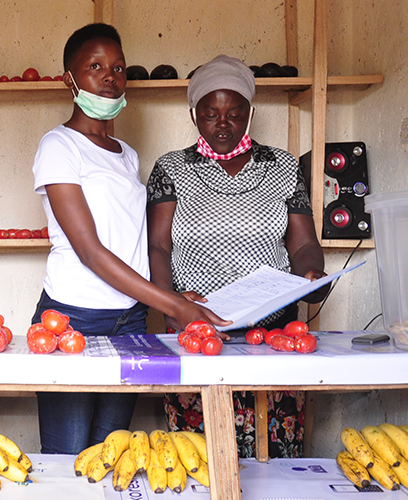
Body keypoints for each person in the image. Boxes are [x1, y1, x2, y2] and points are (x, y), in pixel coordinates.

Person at [31, 24, 226, 456]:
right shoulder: (58, 146)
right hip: (73, 319)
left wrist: (170, 296)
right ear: (70, 78)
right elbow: (90, 251)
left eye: (118, 67)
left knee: (111, 455)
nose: (110, 76)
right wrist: (171, 304)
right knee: (69, 460)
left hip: (130, 322)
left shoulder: (127, 154)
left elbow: (133, 241)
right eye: (95, 66)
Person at [146, 54, 328, 458]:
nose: (223, 124)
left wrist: (313, 274)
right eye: (211, 113)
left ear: (251, 112)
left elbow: (301, 242)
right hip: (197, 327)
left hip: (274, 332)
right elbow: (158, 246)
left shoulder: (281, 164)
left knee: (274, 459)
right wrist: (169, 304)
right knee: (201, 459)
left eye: (234, 113)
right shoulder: (171, 168)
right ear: (194, 115)